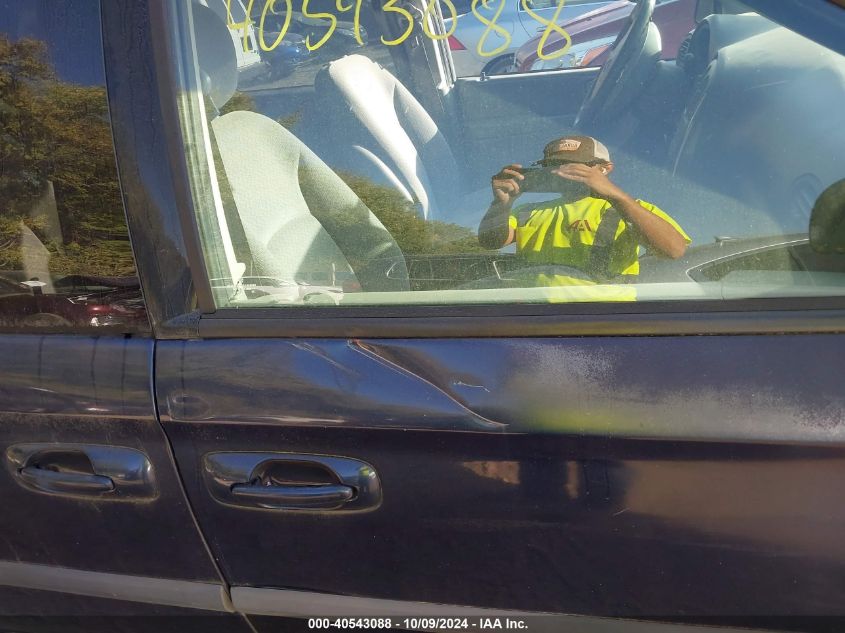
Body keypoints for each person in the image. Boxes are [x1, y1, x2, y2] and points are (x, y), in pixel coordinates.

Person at [478, 136, 690, 286]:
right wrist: (501, 203)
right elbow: (491, 242)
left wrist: (617, 196)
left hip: (601, 319)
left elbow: (674, 250)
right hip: (528, 316)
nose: (560, 171)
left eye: (572, 165)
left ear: (604, 168)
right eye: (552, 166)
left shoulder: (632, 208)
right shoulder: (527, 210)